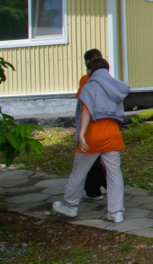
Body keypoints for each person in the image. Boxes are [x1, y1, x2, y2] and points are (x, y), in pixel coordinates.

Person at [53, 58, 129, 223]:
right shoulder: (116, 86)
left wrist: (81, 134)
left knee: (79, 172)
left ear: (91, 70)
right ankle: (116, 212)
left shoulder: (90, 86)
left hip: (92, 136)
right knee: (114, 174)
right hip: (113, 135)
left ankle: (70, 205)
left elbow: (86, 111)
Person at [74, 48, 108, 202]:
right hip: (107, 126)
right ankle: (100, 189)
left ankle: (92, 191)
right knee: (102, 161)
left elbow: (83, 104)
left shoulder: (86, 80)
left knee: (88, 162)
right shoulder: (109, 80)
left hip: (91, 127)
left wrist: (80, 132)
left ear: (88, 62)